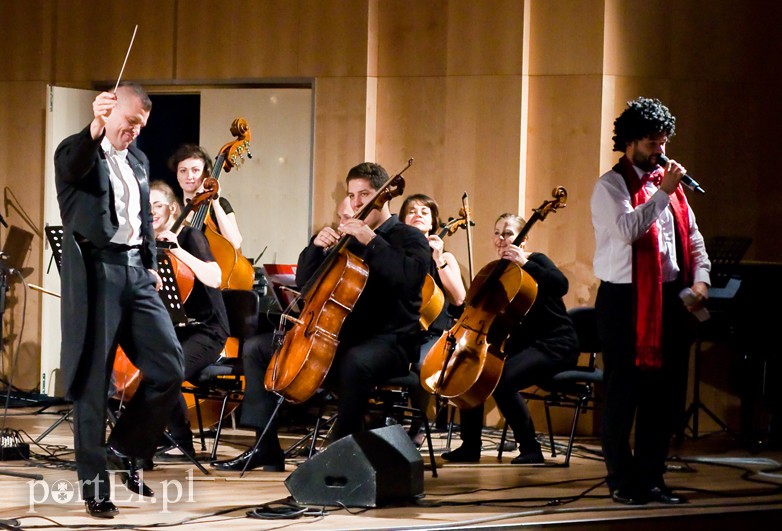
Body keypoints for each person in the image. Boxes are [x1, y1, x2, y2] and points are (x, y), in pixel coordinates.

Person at [212, 162, 431, 472]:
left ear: (383, 196)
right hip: (338, 338)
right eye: (352, 195)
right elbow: (307, 284)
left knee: (355, 361)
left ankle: (341, 455)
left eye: (364, 194)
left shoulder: (408, 237)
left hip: (390, 341)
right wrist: (315, 248)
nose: (357, 203)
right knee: (257, 348)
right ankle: (265, 449)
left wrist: (372, 240)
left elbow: (409, 279)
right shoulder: (349, 238)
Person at [54, 83, 184, 518]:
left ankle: (125, 445)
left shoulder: (140, 159)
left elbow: (144, 219)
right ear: (109, 112)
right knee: (93, 384)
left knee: (169, 367)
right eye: (128, 123)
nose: (133, 133)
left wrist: (149, 263)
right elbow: (75, 164)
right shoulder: (77, 152)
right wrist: (94, 128)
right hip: (97, 274)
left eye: (140, 127)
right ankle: (95, 489)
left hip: (135, 273)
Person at [590, 97, 711, 505]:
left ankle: (653, 478)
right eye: (650, 142)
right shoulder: (611, 185)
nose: (659, 148)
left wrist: (704, 278)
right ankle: (622, 481)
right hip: (624, 300)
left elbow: (692, 236)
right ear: (628, 142)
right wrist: (661, 192)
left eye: (662, 141)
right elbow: (628, 230)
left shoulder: (670, 188)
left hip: (668, 298)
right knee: (624, 394)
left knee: (662, 396)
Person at [439, 213, 579, 464]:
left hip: (556, 344)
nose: (501, 239)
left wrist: (525, 262)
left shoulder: (536, 260)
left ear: (522, 239)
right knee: (476, 375)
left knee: (501, 381)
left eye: (508, 233)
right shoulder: (498, 273)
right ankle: (470, 447)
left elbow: (561, 285)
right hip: (525, 347)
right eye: (497, 233)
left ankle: (531, 449)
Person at [149, 180, 230, 460]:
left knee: (166, 370)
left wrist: (177, 250)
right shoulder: (149, 242)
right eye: (146, 206)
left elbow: (215, 277)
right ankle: (157, 435)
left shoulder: (191, 237)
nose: (151, 211)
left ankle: (180, 439)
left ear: (172, 208)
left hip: (208, 331)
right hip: (174, 329)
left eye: (157, 204)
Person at [399, 193, 467, 443]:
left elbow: (459, 298)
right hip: (400, 331)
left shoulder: (444, 258)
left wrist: (438, 260)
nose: (417, 214)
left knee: (420, 365)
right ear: (403, 220)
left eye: (424, 212)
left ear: (433, 222)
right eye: (411, 211)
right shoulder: (396, 255)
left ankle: (419, 424)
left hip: (432, 334)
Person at [168, 144, 243, 249]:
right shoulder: (173, 206)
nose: (189, 176)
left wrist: (215, 204)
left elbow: (235, 243)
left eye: (195, 170)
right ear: (177, 175)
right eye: (183, 171)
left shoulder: (221, 204)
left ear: (206, 174)